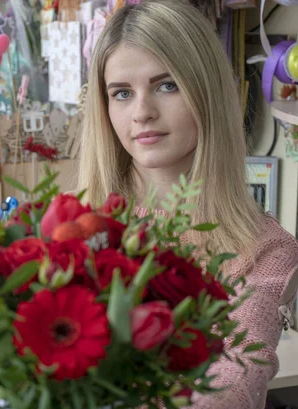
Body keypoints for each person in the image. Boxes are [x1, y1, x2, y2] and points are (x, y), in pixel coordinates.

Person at [77, 1, 298, 408]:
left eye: (167, 85)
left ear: (206, 91)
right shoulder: (78, 225)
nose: (142, 112)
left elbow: (235, 382)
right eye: (122, 93)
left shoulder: (265, 250)